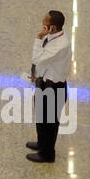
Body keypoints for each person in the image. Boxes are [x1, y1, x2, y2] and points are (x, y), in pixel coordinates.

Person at [26, 10, 69, 163]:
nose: (42, 22)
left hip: (54, 88)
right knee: (41, 117)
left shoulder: (60, 45)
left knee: (49, 123)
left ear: (54, 27)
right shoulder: (53, 36)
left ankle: (47, 154)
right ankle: (41, 144)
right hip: (44, 82)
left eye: (46, 21)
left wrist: (38, 38)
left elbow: (37, 58)